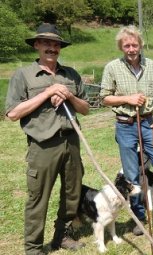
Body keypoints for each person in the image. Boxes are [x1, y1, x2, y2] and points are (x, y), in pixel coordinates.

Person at [5, 23, 89, 255]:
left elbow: (85, 109)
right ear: (37, 45)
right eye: (46, 43)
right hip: (43, 145)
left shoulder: (70, 74)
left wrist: (69, 94)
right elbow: (12, 113)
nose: (52, 48)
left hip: (71, 141)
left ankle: (62, 236)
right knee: (38, 198)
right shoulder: (23, 75)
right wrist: (47, 93)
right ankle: (33, 248)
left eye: (56, 44)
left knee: (72, 194)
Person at [99, 25, 153, 236]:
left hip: (148, 124)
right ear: (121, 47)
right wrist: (127, 99)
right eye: (126, 45)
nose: (131, 48)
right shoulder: (112, 67)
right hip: (125, 125)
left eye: (134, 44)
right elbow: (104, 98)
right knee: (131, 175)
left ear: (140, 45)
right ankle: (138, 215)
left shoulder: (152, 66)